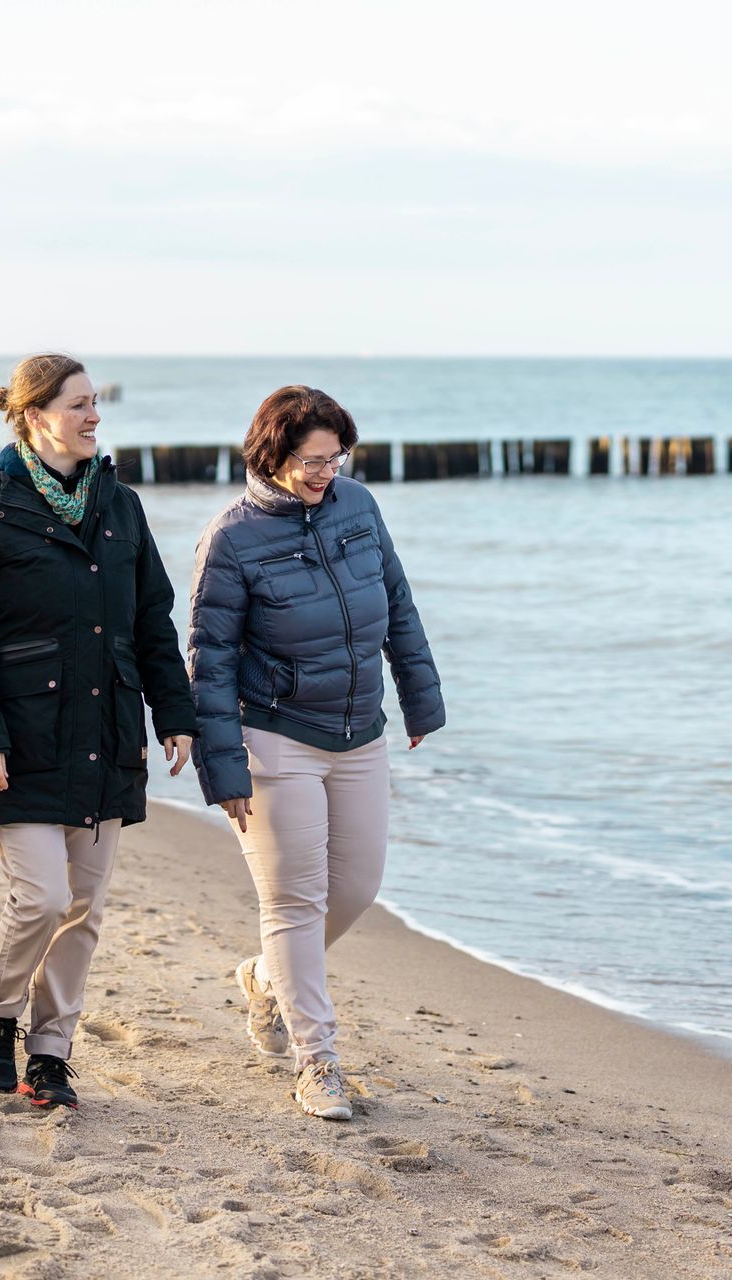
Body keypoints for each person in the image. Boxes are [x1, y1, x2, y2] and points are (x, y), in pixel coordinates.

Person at [0, 353, 196, 1110]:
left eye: (94, 404)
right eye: (79, 404)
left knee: (84, 909)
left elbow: (151, 621)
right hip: (20, 737)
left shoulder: (122, 507)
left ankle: (51, 1048)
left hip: (107, 731)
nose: (93, 417)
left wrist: (173, 714)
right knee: (42, 899)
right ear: (35, 414)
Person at [187, 385, 444, 1121]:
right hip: (274, 735)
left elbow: (395, 600)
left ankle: (268, 978)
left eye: (335, 457)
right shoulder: (231, 539)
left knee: (358, 887)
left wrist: (420, 697)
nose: (324, 471)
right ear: (272, 455)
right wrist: (223, 766)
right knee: (295, 900)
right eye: (309, 459)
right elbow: (209, 663)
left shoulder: (358, 507)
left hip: (359, 731)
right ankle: (317, 1061)